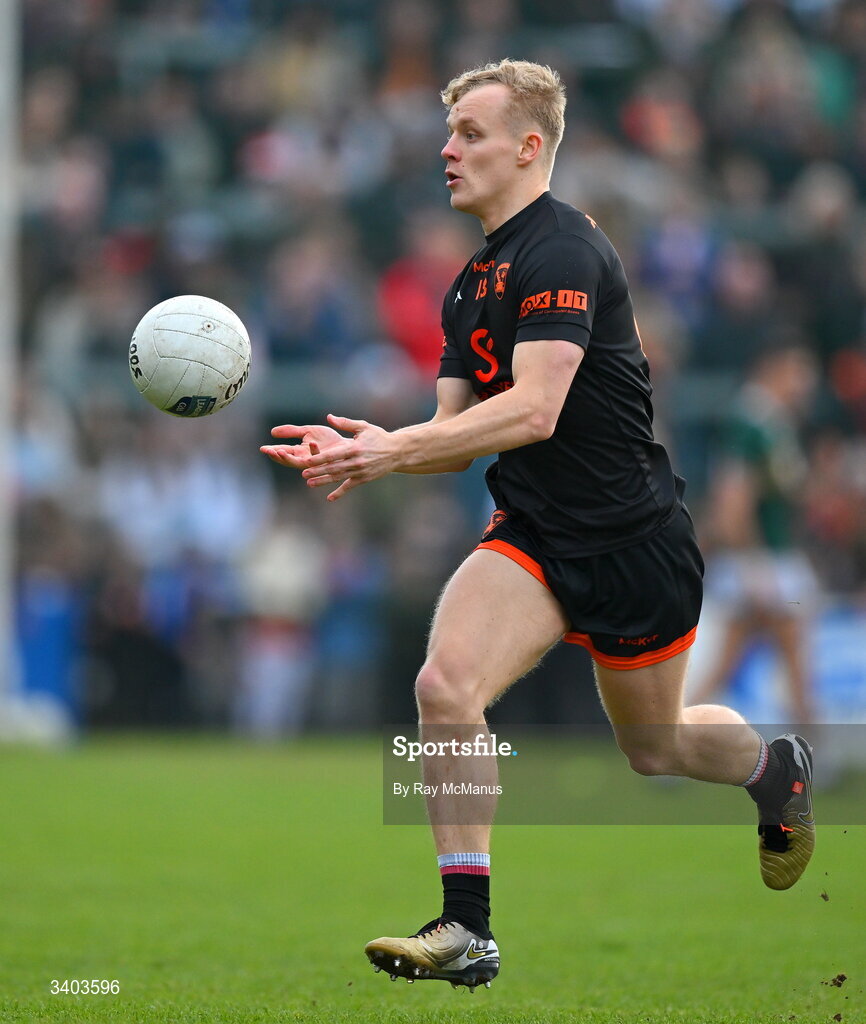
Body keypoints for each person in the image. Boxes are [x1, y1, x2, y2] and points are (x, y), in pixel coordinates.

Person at [260, 59, 815, 991]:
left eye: (470, 134)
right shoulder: (468, 285)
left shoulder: (563, 249)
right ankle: (466, 926)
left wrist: (397, 449)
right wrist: (368, 447)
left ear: (529, 148)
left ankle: (775, 768)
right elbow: (451, 440)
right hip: (536, 538)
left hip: (637, 543)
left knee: (656, 749)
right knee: (445, 684)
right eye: (447, 134)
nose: (447, 150)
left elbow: (535, 410)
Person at [691, 340, 819, 723]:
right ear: (773, 368)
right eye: (799, 371)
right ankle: (813, 744)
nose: (806, 383)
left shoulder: (771, 420)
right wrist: (752, 563)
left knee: (737, 657)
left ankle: (675, 736)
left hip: (768, 556)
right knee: (791, 654)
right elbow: (733, 499)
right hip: (766, 558)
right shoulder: (752, 422)